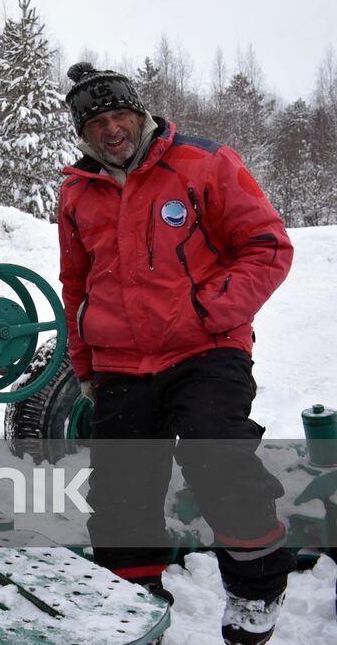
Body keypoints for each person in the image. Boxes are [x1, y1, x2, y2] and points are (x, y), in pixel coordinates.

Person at [58, 62, 296, 645]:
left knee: (217, 459)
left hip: (205, 352)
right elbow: (76, 284)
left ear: (140, 114)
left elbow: (267, 247)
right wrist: (85, 365)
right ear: (81, 135)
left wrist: (209, 313)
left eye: (120, 116)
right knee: (119, 487)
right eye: (97, 124)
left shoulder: (204, 163)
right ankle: (133, 599)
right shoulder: (76, 193)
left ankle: (257, 587)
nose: (111, 130)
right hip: (120, 362)